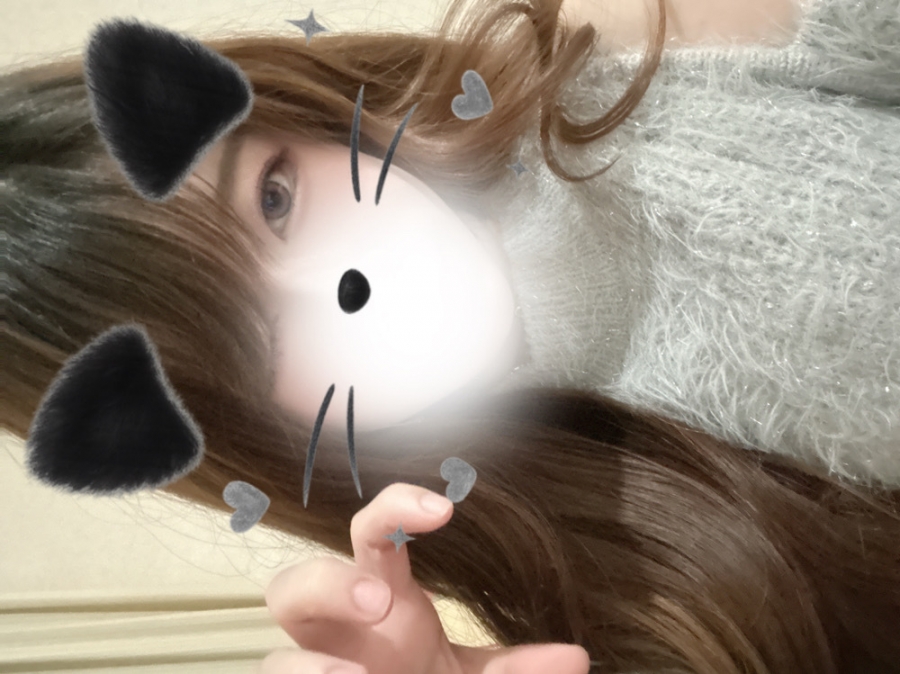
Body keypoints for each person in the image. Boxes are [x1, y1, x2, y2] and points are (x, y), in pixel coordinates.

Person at [3, 0, 899, 671]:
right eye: (256, 344)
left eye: (277, 197)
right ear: (243, 425)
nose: (338, 287)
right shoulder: (583, 560)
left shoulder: (647, 45)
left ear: (288, 115)